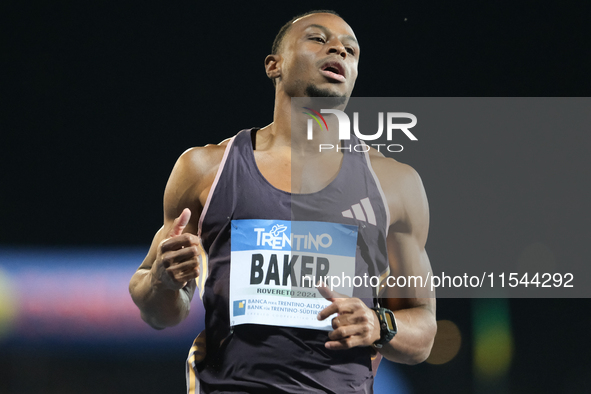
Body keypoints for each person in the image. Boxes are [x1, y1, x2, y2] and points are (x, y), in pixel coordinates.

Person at [129, 10, 436, 394]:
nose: (338, 49)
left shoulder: (395, 184)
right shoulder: (206, 169)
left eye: (351, 50)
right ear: (274, 65)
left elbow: (423, 333)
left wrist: (379, 324)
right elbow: (158, 312)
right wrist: (163, 279)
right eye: (318, 39)